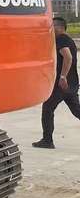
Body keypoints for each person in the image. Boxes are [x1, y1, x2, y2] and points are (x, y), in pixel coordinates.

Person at [33, 15, 80, 149]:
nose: (50, 29)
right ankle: (47, 140)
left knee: (47, 109)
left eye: (52, 26)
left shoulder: (61, 39)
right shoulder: (69, 40)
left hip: (61, 85)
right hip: (72, 84)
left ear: (59, 27)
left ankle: (47, 141)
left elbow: (68, 57)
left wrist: (62, 76)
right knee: (77, 111)